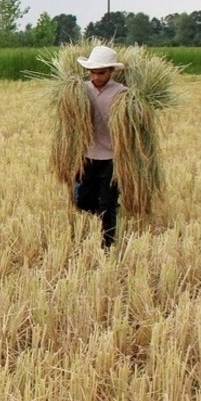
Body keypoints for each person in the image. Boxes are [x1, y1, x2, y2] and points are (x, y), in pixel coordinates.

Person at [72, 44, 127, 248]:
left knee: (108, 203)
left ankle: (108, 245)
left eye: (101, 73)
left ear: (111, 71)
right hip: (86, 153)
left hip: (112, 157)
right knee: (83, 200)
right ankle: (95, 226)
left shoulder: (123, 94)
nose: (96, 77)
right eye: (92, 72)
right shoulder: (79, 90)